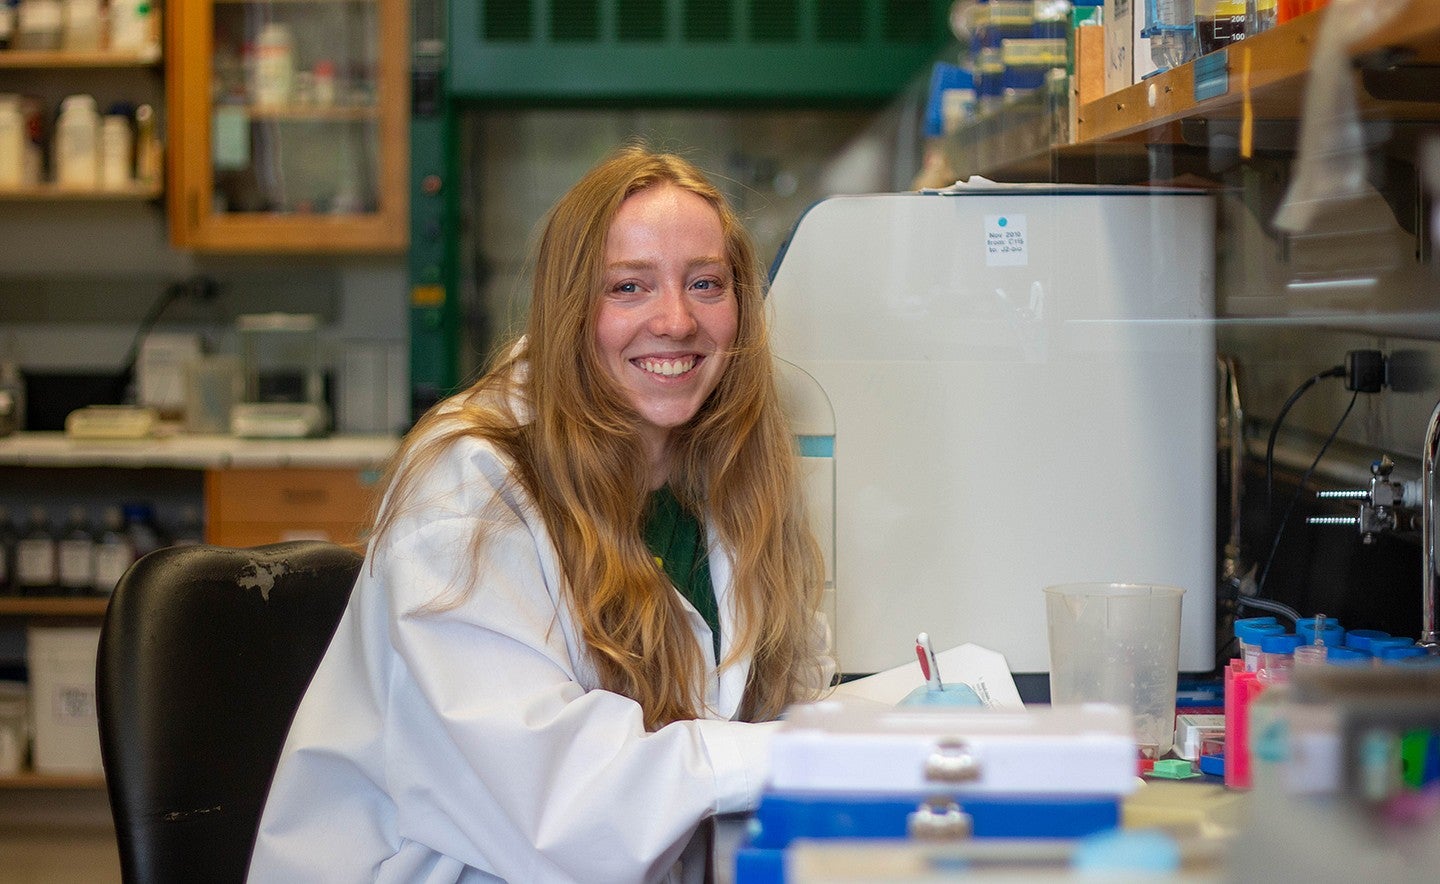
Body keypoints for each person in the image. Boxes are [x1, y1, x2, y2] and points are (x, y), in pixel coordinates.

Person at [247, 145, 835, 883]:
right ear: (569, 309)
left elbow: (785, 679)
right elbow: (560, 807)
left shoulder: (727, 468)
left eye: (706, 284)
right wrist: (807, 752)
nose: (677, 320)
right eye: (629, 286)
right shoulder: (470, 489)